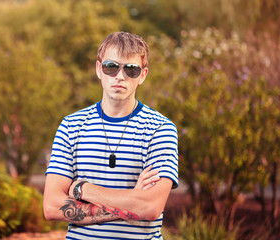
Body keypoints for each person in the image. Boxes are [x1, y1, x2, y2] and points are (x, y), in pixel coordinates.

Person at [43, 32, 178, 239]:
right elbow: (52, 206)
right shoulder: (71, 126)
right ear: (99, 69)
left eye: (131, 69)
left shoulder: (160, 129)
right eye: (111, 67)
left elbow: (150, 208)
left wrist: (83, 189)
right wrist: (132, 202)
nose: (120, 76)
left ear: (142, 75)